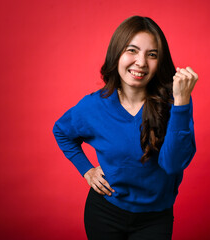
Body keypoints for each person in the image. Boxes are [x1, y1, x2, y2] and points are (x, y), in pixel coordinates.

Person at [53, 15, 198, 240]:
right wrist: (87, 170)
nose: (141, 62)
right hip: (104, 213)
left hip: (155, 217)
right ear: (117, 53)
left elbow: (173, 164)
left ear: (160, 62)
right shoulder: (94, 106)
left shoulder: (174, 103)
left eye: (152, 55)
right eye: (132, 50)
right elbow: (61, 131)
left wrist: (181, 102)